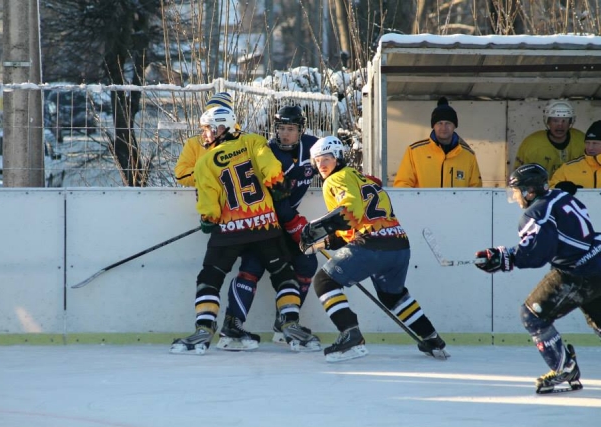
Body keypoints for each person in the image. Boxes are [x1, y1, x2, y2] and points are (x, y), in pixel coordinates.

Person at [169, 106, 320, 355]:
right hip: (266, 226)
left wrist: (208, 219)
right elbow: (269, 167)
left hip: (230, 230)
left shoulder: (205, 161)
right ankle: (290, 324)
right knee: (284, 275)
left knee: (210, 278)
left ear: (222, 127)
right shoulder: (254, 141)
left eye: (208, 129)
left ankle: (205, 328)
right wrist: (278, 182)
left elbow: (209, 202)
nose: (204, 135)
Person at [300, 135, 448, 362]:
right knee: (393, 295)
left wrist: (317, 228)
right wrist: (326, 241)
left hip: (372, 246)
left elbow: (350, 210)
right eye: (317, 160)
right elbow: (353, 225)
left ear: (338, 157)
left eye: (326, 158)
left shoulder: (336, 179)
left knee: (324, 282)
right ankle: (432, 337)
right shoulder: (364, 180)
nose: (321, 165)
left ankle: (351, 335)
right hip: (399, 246)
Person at [474, 163, 601, 394]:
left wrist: (504, 258)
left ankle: (564, 368)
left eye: (516, 190)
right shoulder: (560, 195)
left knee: (531, 315)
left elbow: (536, 254)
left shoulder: (536, 213)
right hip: (598, 257)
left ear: (529, 191)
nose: (515, 196)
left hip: (578, 271)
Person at [219, 105, 322, 351]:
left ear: (301, 130)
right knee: (251, 268)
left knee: (307, 264)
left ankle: (284, 324)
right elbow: (275, 196)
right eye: (281, 128)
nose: (285, 134)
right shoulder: (266, 152)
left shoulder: (313, 146)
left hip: (288, 223)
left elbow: (334, 160)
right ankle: (231, 327)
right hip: (263, 222)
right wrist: (294, 221)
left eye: (291, 129)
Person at [394, 97, 482, 188]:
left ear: (454, 126)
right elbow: (402, 185)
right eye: (439, 123)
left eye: (448, 123)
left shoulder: (468, 156)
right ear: (433, 126)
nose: (443, 128)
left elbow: (476, 190)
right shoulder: (414, 151)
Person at [174, 92, 238, 187]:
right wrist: (210, 175)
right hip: (207, 196)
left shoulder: (243, 140)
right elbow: (181, 173)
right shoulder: (194, 143)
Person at [514, 100, 585, 179]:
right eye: (555, 120)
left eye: (564, 121)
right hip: (541, 190)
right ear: (548, 122)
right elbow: (519, 176)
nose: (560, 125)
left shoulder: (582, 140)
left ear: (570, 122)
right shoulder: (531, 144)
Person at [549, 120, 601, 191]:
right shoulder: (568, 168)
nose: (590, 147)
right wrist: (559, 188)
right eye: (587, 143)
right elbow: (549, 190)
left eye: (595, 143)